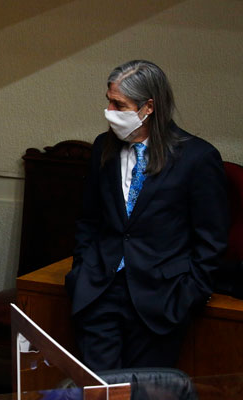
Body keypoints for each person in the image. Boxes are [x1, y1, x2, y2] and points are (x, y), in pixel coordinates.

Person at [65, 60, 229, 371]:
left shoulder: (197, 158)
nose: (110, 111)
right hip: (100, 290)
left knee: (144, 392)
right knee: (99, 390)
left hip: (161, 299)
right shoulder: (103, 147)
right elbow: (89, 219)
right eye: (108, 101)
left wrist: (190, 294)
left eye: (119, 104)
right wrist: (81, 271)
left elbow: (211, 239)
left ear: (148, 107)